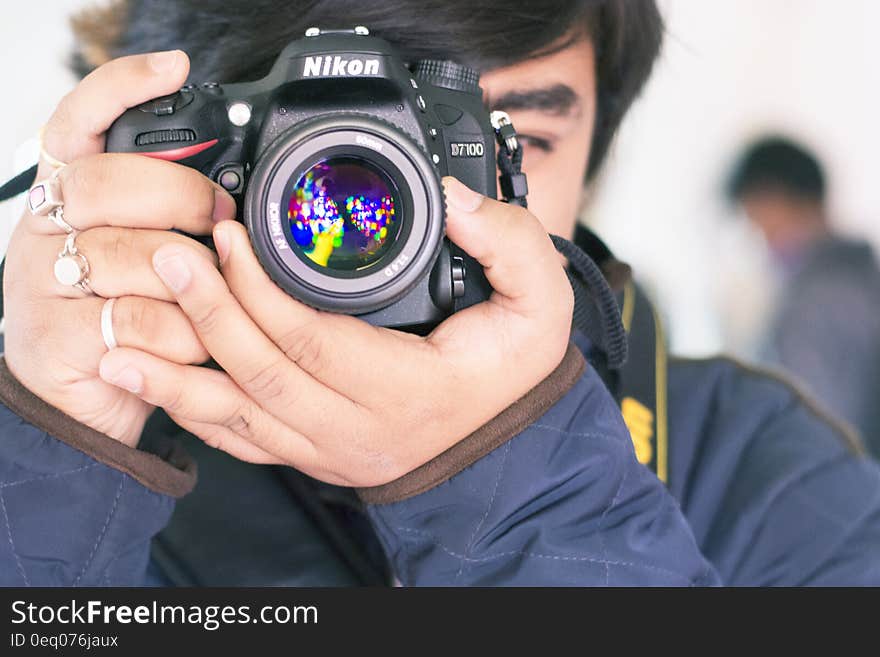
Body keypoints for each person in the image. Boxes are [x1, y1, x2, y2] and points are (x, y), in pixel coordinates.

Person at [0, 0, 878, 587]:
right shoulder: (85, 426)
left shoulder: (763, 471)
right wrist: (60, 458)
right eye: (326, 137)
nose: (405, 208)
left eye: (512, 140)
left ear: (596, 165)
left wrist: (512, 475)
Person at [727, 136, 880, 459]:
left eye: (758, 221)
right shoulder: (861, 276)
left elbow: (818, 433)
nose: (759, 237)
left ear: (777, 199)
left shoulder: (819, 298)